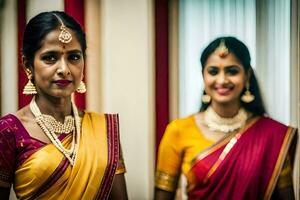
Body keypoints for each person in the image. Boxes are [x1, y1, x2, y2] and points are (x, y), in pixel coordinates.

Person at [0, 11, 128, 199]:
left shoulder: (104, 131)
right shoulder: (9, 131)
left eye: (74, 57)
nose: (64, 69)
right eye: (50, 57)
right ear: (28, 65)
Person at [155, 36, 297, 200]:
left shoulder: (273, 135)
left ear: (247, 75)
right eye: (213, 71)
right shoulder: (178, 130)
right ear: (203, 75)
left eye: (232, 71)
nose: (222, 80)